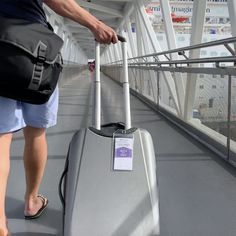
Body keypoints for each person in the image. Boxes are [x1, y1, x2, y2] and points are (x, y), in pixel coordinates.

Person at [0, 0, 118, 235]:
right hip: (35, 53)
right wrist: (95, 24)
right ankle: (32, 201)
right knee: (36, 133)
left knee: (1, 139)